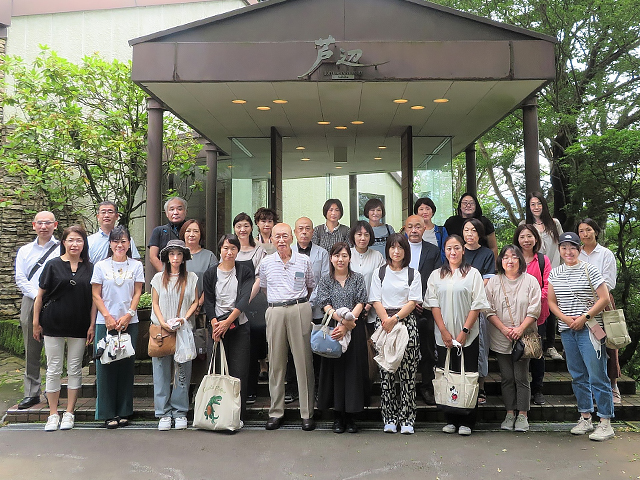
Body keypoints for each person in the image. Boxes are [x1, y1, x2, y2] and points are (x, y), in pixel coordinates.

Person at [547, 232, 615, 441]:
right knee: (577, 375)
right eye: (564, 248)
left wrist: (584, 317)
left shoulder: (590, 269)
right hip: (568, 330)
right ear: (559, 249)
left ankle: (605, 421)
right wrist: (566, 319)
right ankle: (585, 416)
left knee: (597, 375)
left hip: (590, 329)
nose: (568, 252)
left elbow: (603, 298)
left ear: (579, 249)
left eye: (572, 248)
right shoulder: (555, 273)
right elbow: (551, 302)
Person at [424, 235, 490, 436]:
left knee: (468, 376)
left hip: (467, 335)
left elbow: (477, 304)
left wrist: (465, 331)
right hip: (443, 335)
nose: (453, 252)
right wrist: (444, 330)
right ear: (444, 251)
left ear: (463, 250)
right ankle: (450, 418)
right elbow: (433, 304)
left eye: (457, 248)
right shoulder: (436, 275)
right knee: (447, 375)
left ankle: (468, 421)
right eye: (449, 248)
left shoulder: (473, 274)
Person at [33, 225, 95, 431]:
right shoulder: (52, 265)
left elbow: (95, 300)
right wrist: (36, 322)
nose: (75, 244)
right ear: (64, 242)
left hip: (80, 324)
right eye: (71, 240)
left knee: (75, 368)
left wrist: (92, 324)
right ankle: (52, 413)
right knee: (54, 369)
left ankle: (69, 412)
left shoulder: (90, 267)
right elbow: (40, 296)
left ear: (84, 243)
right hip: (53, 323)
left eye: (79, 240)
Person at [259, 223, 316, 431]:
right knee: (275, 362)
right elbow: (264, 288)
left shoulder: (304, 260)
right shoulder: (265, 263)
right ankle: (276, 412)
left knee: (303, 362)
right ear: (271, 239)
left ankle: (307, 413)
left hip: (299, 308)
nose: (281, 240)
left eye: (285, 235)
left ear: (292, 237)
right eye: (277, 237)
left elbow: (310, 286)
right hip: (275, 310)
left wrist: (296, 304)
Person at [91, 225, 145, 428]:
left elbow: (138, 292)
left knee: (125, 366)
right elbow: (96, 294)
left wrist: (129, 315)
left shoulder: (136, 266)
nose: (120, 244)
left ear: (129, 243)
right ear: (110, 244)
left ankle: (124, 411)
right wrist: (107, 316)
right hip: (105, 323)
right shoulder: (101, 266)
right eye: (116, 241)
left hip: (129, 322)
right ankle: (107, 412)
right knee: (105, 367)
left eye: (123, 241)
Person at [369, 233, 423, 435]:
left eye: (400, 247)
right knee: (386, 374)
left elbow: (413, 301)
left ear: (405, 251)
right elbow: (375, 299)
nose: (396, 251)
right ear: (388, 250)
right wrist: (386, 320)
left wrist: (395, 319)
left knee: (408, 374)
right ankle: (389, 418)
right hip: (384, 323)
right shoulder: (379, 273)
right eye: (393, 247)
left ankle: (407, 418)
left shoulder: (413, 273)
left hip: (405, 323)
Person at [485, 245, 541, 433]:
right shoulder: (493, 282)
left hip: (523, 337)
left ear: (520, 261)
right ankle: (510, 412)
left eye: (514, 257)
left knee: (521, 377)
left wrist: (520, 329)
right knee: (507, 377)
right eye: (506, 257)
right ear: (501, 261)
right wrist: (504, 329)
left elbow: (535, 309)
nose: (510, 261)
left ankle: (523, 414)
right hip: (501, 337)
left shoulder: (530, 281)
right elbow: (488, 309)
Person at [316, 242, 368, 433]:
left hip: (354, 329)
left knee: (353, 372)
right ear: (331, 258)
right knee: (335, 372)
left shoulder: (358, 278)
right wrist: (342, 323)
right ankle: (338, 417)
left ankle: (352, 418)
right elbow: (325, 305)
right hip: (333, 330)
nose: (341, 259)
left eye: (344, 255)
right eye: (337, 256)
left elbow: (361, 301)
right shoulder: (326, 280)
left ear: (349, 258)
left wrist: (348, 325)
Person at [203, 234, 253, 421]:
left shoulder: (245, 271)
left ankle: (236, 415)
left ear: (237, 250)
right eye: (225, 248)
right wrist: (216, 323)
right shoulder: (210, 273)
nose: (229, 252)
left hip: (238, 326)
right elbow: (208, 301)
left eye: (233, 248)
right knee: (217, 372)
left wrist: (227, 322)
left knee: (239, 372)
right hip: (217, 327)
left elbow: (244, 300)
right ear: (220, 250)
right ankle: (217, 415)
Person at [150, 239, 199, 431]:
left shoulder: (192, 277)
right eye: (172, 254)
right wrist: (163, 322)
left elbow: (195, 301)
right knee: (161, 373)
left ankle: (180, 411)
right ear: (166, 257)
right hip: (161, 331)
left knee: (182, 372)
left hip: (183, 329)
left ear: (184, 257)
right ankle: (162, 412)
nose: (175, 258)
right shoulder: (157, 278)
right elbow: (155, 303)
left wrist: (183, 318)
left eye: (179, 254)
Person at [14, 211, 60, 410]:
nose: (44, 226)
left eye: (48, 223)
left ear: (55, 225)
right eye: (40, 223)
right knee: (31, 347)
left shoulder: (62, 248)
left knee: (56, 346)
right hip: (31, 300)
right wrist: (37, 295)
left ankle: (54, 389)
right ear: (34, 225)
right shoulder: (24, 251)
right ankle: (32, 392)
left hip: (56, 300)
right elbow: (20, 278)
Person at [578, 218, 621, 404]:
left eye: (588, 230)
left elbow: (609, 282)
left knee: (609, 343)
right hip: (581, 306)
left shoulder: (605, 254)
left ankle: (613, 385)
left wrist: (594, 297)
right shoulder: (575, 254)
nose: (585, 234)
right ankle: (591, 387)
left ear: (595, 231)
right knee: (588, 343)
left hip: (603, 304)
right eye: (581, 231)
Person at [287, 217, 330, 403]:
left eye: (307, 229)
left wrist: (310, 301)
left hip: (317, 309)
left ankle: (318, 388)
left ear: (313, 232)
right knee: (292, 349)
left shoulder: (322, 253)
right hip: (293, 307)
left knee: (318, 349)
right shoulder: (287, 253)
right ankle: (292, 387)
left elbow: (325, 281)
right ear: (295, 233)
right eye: (300, 229)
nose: (304, 232)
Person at [404, 215, 442, 405]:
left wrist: (420, 300)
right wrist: (408, 301)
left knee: (427, 349)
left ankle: (427, 386)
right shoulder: (398, 249)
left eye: (417, 226)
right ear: (405, 229)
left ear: (424, 228)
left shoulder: (433, 251)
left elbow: (436, 279)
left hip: (426, 308)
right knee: (403, 348)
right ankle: (406, 388)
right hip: (401, 307)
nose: (414, 230)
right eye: (410, 226)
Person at [523, 191, 564, 361]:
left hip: (554, 271)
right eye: (532, 204)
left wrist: (563, 270)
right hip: (534, 272)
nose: (536, 207)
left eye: (539, 203)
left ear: (544, 205)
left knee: (551, 308)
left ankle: (550, 346)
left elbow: (563, 246)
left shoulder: (554, 223)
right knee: (535, 308)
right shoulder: (525, 224)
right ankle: (533, 343)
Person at [513, 224, 551, 406]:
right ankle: (517, 387)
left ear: (536, 238)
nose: (526, 240)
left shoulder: (543, 260)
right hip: (513, 314)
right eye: (522, 236)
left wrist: (533, 303)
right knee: (516, 351)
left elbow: (547, 287)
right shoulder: (512, 259)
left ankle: (537, 389)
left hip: (538, 314)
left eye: (529, 236)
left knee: (536, 351)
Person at [233, 212, 268, 403]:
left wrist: (246, 299)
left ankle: (252, 390)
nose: (242, 229)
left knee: (253, 345)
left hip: (254, 301)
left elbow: (260, 277)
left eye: (246, 225)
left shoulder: (260, 250)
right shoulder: (230, 248)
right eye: (239, 226)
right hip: (231, 301)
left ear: (251, 228)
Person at [461, 217, 496, 404]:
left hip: (478, 306)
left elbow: (488, 280)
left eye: (474, 230)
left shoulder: (486, 254)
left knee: (481, 346)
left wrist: (471, 295)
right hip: (458, 307)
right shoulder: (457, 251)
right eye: (466, 230)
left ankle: (481, 386)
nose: (470, 234)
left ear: (479, 234)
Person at [349, 221, 386, 336]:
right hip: (349, 308)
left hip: (373, 307)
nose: (363, 238)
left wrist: (369, 304)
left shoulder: (377, 256)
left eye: (366, 234)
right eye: (359, 234)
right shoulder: (346, 254)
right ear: (353, 236)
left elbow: (382, 282)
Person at [180, 219, 217, 318]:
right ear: (183, 233)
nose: (192, 234)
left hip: (202, 311)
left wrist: (199, 303)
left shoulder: (209, 256)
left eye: (196, 231)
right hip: (178, 309)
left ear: (201, 235)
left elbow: (213, 283)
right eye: (188, 231)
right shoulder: (176, 255)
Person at [444, 193, 498, 258]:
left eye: (472, 203)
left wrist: (494, 265)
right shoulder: (451, 222)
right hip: (457, 259)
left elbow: (493, 246)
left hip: (482, 259)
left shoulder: (484, 221)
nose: (468, 205)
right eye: (465, 203)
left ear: (476, 206)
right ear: (460, 206)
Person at [148, 197, 188, 273]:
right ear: (166, 213)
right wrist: (166, 274)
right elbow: (153, 257)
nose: (175, 212)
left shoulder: (191, 230)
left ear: (186, 212)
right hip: (165, 277)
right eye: (171, 209)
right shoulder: (159, 231)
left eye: (179, 209)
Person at [414, 197, 449, 263]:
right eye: (421, 209)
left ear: (432, 212)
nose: (425, 212)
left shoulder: (441, 231)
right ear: (417, 212)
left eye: (428, 209)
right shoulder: (412, 232)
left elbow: (446, 251)